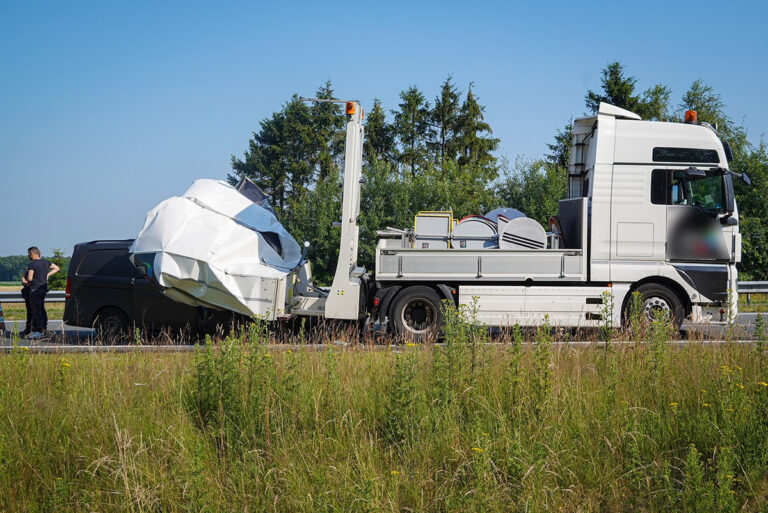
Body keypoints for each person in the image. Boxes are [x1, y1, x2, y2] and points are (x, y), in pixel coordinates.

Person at [21, 247, 59, 339]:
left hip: (34, 290)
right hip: (43, 289)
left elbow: (30, 278)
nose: (29, 256)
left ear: (32, 254)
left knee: (36, 310)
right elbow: (57, 268)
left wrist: (25, 282)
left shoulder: (32, 264)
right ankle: (44, 328)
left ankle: (38, 331)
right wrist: (47, 275)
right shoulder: (46, 262)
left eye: (29, 254)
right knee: (41, 309)